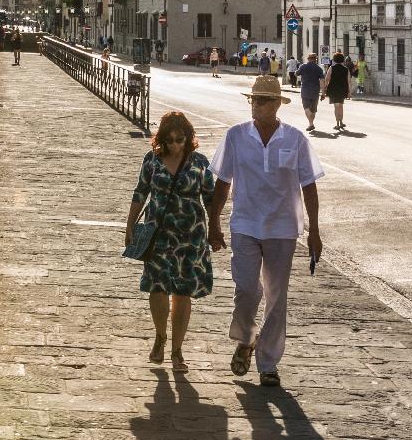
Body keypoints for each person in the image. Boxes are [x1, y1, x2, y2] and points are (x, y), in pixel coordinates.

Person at [207, 74, 322, 389]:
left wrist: (314, 230)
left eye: (261, 100)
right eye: (253, 100)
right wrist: (213, 220)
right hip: (245, 223)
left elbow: (309, 184)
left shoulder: (295, 140)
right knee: (246, 289)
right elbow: (222, 181)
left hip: (282, 227)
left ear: (276, 105)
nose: (255, 105)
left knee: (276, 296)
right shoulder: (236, 136)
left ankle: (268, 363)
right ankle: (246, 338)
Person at [126, 110, 216, 372]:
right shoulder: (152, 160)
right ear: (162, 139)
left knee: (183, 292)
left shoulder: (199, 162)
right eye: (171, 139)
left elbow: (210, 199)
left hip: (191, 237)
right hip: (159, 234)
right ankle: (160, 336)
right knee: (157, 288)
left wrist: (216, 229)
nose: (176, 144)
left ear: (189, 138)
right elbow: (140, 192)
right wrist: (130, 224)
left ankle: (177, 351)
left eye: (181, 139)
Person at [324, 50, 352, 133]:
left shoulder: (331, 68)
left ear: (334, 60)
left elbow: (327, 79)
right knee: (341, 106)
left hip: (333, 90)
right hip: (343, 89)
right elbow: (349, 81)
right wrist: (349, 92)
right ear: (342, 60)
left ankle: (337, 123)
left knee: (336, 106)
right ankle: (341, 122)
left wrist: (325, 88)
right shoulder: (346, 69)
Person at [296, 54, 322, 132]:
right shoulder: (318, 68)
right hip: (315, 91)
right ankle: (311, 123)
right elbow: (322, 80)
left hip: (305, 90)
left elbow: (296, 73)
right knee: (313, 110)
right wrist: (323, 92)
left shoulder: (303, 66)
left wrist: (295, 73)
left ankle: (310, 124)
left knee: (306, 107)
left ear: (308, 59)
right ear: (316, 59)